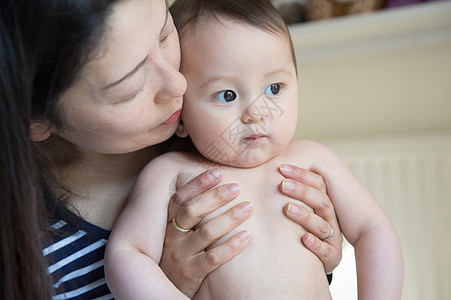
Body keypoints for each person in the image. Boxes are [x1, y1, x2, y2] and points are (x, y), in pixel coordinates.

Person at [0, 0, 345, 299]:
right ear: (35, 120)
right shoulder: (27, 253)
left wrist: (320, 248)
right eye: (130, 87)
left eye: (165, 34)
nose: (178, 83)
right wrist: (169, 283)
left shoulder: (219, 136)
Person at [105, 0, 404, 299]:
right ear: (181, 115)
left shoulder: (314, 160)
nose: (256, 113)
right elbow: (126, 254)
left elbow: (373, 229)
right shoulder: (170, 173)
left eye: (274, 88)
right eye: (227, 94)